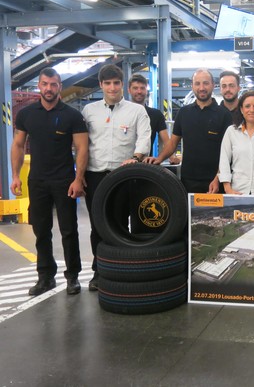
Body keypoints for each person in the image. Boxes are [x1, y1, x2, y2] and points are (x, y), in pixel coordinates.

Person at [10, 67, 88, 296]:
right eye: (45, 84)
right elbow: (18, 145)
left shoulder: (72, 115)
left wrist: (78, 179)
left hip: (65, 180)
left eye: (53, 84)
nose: (49, 88)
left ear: (60, 87)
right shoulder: (26, 114)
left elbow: (82, 148)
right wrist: (15, 176)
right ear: (39, 86)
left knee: (69, 230)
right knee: (41, 230)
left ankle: (73, 277)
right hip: (37, 181)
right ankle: (45, 277)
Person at [82, 64, 151, 291]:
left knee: (120, 224)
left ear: (122, 85)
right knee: (97, 226)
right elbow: (81, 143)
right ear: (101, 85)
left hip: (123, 177)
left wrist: (136, 157)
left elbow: (144, 138)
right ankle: (98, 271)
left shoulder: (136, 111)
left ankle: (120, 269)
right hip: (94, 176)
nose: (112, 87)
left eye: (116, 83)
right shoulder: (89, 111)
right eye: (108, 83)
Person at [147, 69, 232, 194]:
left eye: (205, 83)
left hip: (215, 183)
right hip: (188, 181)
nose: (201, 88)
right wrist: (159, 158)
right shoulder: (184, 112)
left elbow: (228, 153)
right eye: (197, 83)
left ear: (213, 85)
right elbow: (173, 143)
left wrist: (218, 177)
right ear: (192, 86)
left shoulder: (224, 115)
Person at [128, 74, 180, 164]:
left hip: (145, 164)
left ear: (146, 90)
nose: (139, 91)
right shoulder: (122, 113)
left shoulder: (156, 114)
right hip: (122, 164)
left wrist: (172, 157)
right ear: (129, 90)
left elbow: (166, 141)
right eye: (135, 88)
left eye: (142, 88)